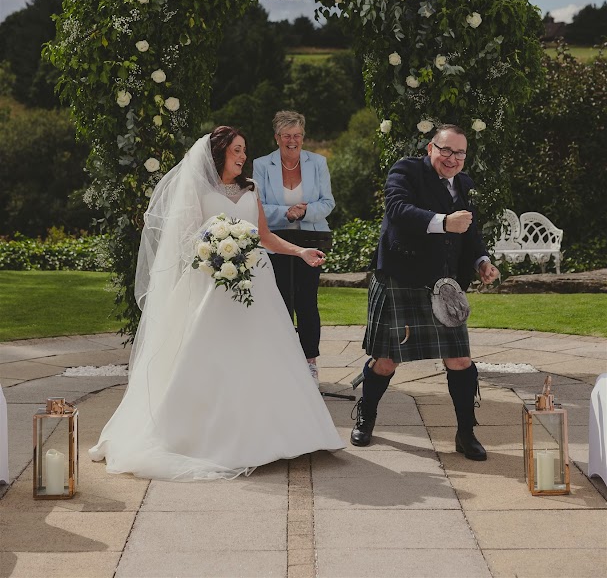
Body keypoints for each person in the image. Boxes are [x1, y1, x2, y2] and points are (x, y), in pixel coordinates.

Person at [90, 126, 343, 481]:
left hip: (256, 283)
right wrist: (215, 246)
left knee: (268, 352)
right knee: (210, 354)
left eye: (245, 150)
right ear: (220, 152)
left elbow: (265, 237)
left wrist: (300, 251)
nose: (242, 156)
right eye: (236, 150)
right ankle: (203, 436)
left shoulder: (251, 189)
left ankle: (288, 433)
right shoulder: (197, 188)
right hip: (212, 282)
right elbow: (186, 236)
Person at [351, 123, 500, 460]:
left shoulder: (464, 184)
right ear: (430, 148)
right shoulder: (406, 170)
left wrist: (481, 261)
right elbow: (398, 210)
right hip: (400, 279)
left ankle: (465, 433)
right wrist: (444, 222)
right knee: (386, 362)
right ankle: (367, 414)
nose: (452, 158)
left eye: (459, 153)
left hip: (443, 287)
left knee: (460, 360)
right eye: (445, 150)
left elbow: (470, 230)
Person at [253, 111, 335, 385]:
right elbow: (258, 205)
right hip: (276, 242)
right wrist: (286, 213)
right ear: (277, 138)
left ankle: (309, 361)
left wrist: (305, 211)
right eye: (287, 135)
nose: (293, 140)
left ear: (303, 136)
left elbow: (328, 203)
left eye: (297, 135)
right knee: (281, 301)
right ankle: (283, 360)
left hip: (312, 241)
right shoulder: (262, 165)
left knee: (307, 301)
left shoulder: (318, 163)